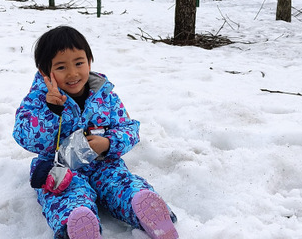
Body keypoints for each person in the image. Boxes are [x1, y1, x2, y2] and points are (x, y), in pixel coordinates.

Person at [13, 26, 179, 239]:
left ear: (90, 61)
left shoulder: (105, 95)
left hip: (104, 164)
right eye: (61, 67)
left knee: (122, 184)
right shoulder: (38, 100)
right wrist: (50, 112)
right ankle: (78, 225)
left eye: (79, 63)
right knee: (68, 197)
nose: (73, 73)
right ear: (45, 71)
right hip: (63, 170)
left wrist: (108, 143)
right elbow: (24, 137)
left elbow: (129, 129)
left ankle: (147, 212)